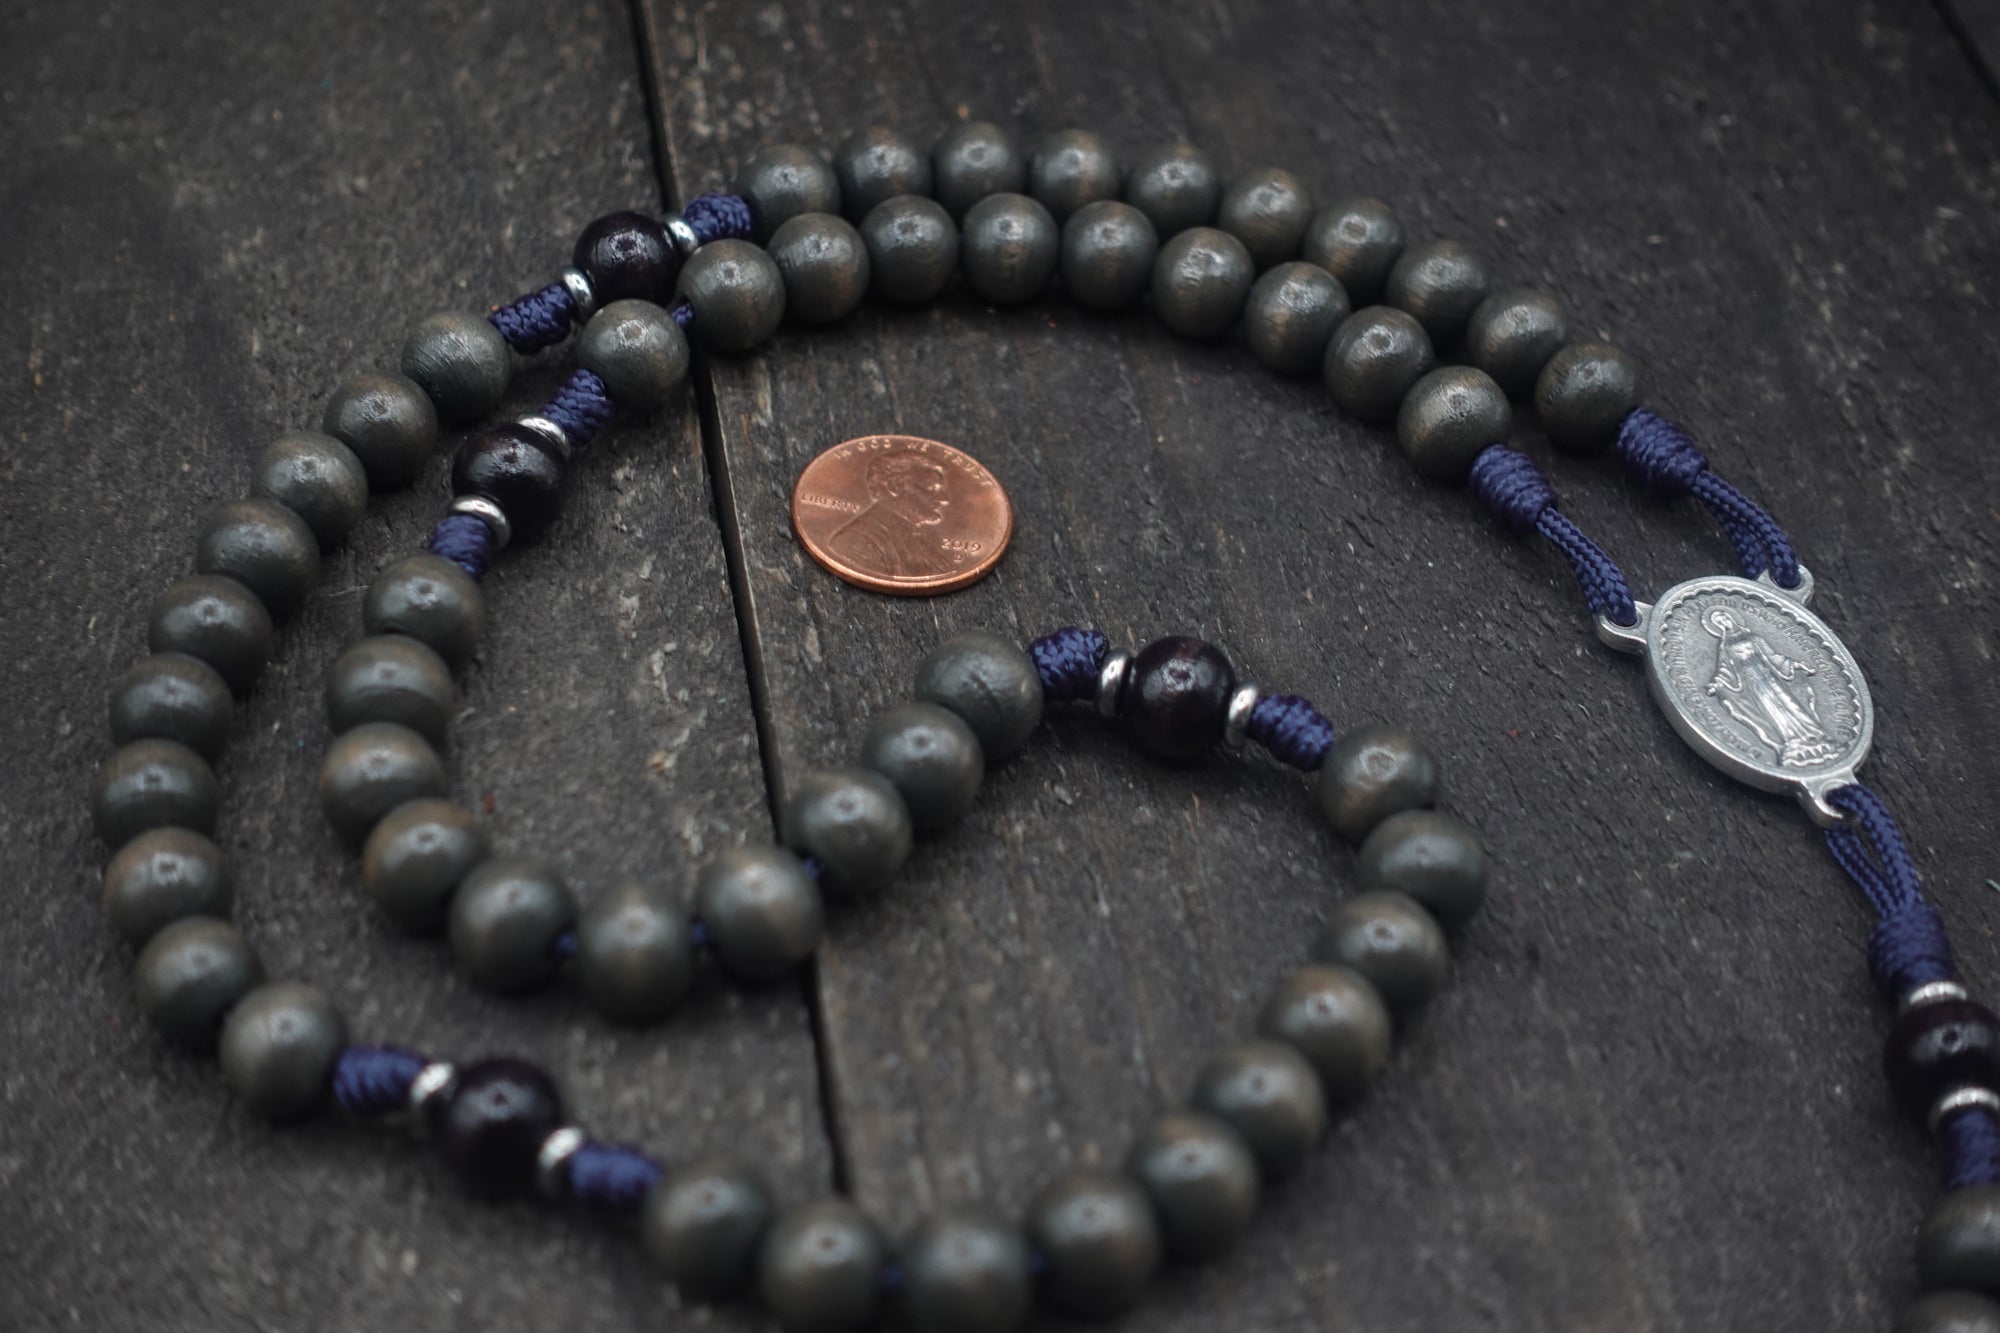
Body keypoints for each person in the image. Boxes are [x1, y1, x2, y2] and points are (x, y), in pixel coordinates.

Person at [826, 449, 954, 578]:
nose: (944, 499)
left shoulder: (917, 539)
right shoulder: (855, 541)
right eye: (931, 488)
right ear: (894, 486)